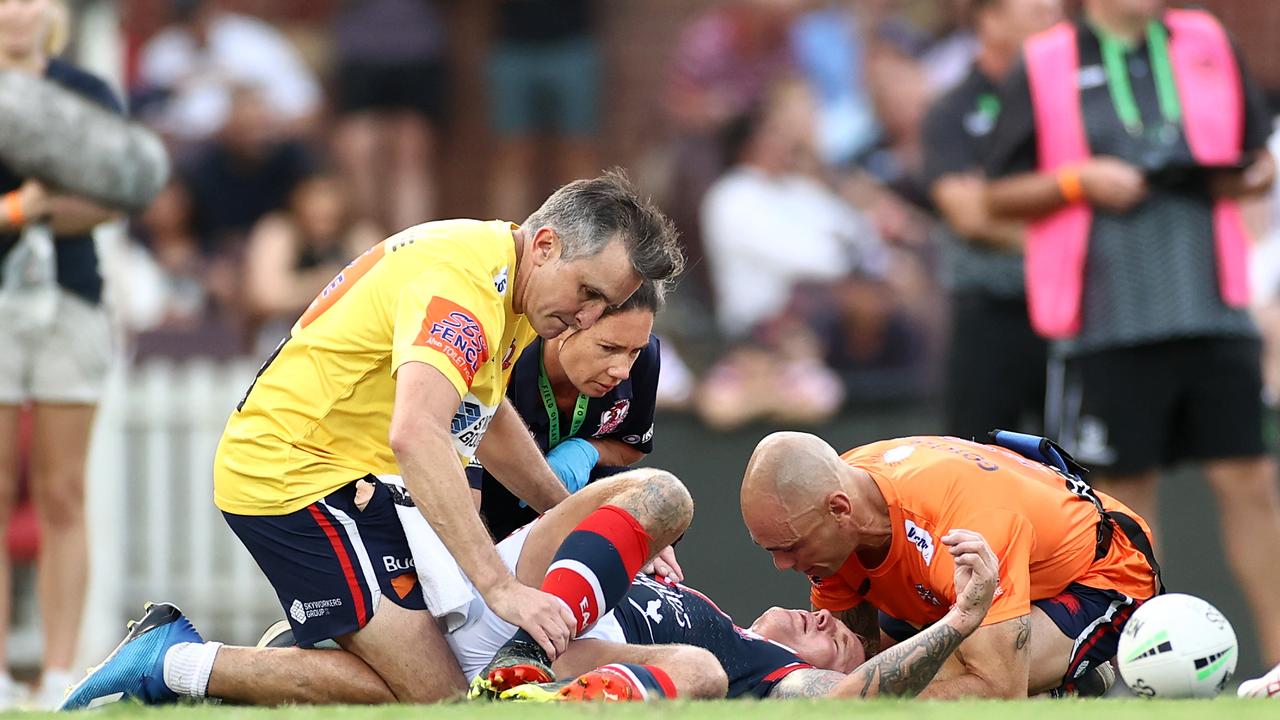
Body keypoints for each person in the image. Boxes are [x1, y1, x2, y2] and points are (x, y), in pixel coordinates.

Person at [58, 171, 685, 709]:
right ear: (546, 245)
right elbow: (417, 434)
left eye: (606, 306)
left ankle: (194, 661)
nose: (588, 317)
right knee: (446, 699)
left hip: (351, 478)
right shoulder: (466, 285)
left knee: (441, 688)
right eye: (590, 294)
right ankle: (171, 664)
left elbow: (480, 416)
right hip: (296, 476)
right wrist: (502, 588)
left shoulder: (503, 277)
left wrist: (570, 515)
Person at [983, 0, 1280, 665]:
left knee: (1252, 485)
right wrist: (1075, 181)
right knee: (1125, 511)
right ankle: (1139, 668)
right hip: (1106, 318)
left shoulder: (1204, 38)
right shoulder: (1047, 58)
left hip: (1214, 306)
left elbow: (1259, 155)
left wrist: (1245, 174)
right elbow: (996, 193)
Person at [740, 431, 1163, 698]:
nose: (782, 565)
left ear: (839, 509)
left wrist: (845, 697)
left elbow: (999, 691)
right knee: (850, 658)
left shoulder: (963, 523)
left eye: (791, 547)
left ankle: (1072, 679)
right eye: (770, 550)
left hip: (1096, 574)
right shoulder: (832, 506)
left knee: (975, 678)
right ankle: (1056, 677)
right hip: (944, 585)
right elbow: (853, 658)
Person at [489, 527, 1000, 702]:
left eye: (839, 646)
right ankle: (517, 664)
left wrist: (961, 619)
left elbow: (850, 696)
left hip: (572, 646)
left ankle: (525, 696)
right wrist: (626, 551)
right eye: (835, 623)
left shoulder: (770, 678)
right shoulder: (711, 614)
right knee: (662, 497)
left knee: (697, 671)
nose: (826, 620)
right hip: (534, 598)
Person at [0, 0, 126, 708]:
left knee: (62, 490)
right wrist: (38, 202)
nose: (19, 10)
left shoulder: (85, 92)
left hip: (69, 300)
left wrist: (27, 205)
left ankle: (56, 673)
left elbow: (111, 193)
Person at [922, 0, 1060, 440]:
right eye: (1037, 12)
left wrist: (998, 201)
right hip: (989, 315)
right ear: (990, 20)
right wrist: (1063, 230)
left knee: (1080, 468)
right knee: (975, 460)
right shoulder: (952, 110)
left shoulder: (1068, 101)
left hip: (1066, 315)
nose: (1053, 20)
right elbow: (969, 216)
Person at [470, 282, 663, 540]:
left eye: (634, 352)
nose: (623, 371)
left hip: (568, 497)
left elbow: (633, 447)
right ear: (565, 324)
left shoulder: (645, 360)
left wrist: (587, 451)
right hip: (487, 491)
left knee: (650, 504)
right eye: (608, 348)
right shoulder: (508, 352)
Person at [332, 0, 447, 232]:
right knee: (359, 151)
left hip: (418, 48)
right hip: (360, 48)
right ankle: (369, 248)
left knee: (411, 155)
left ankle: (414, 249)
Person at [487, 0, 600, 221]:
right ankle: (507, 249)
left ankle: (585, 246)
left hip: (573, 42)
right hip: (512, 42)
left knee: (578, 150)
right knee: (512, 152)